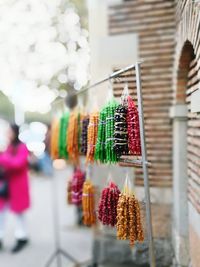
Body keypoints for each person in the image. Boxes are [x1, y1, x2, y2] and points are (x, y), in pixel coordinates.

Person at [0, 123, 30, 253]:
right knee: (2, 212)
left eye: (9, 132)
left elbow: (18, 164)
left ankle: (21, 237)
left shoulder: (22, 147)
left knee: (19, 213)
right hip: (6, 184)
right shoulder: (9, 147)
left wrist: (3, 158)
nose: (8, 134)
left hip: (18, 185)